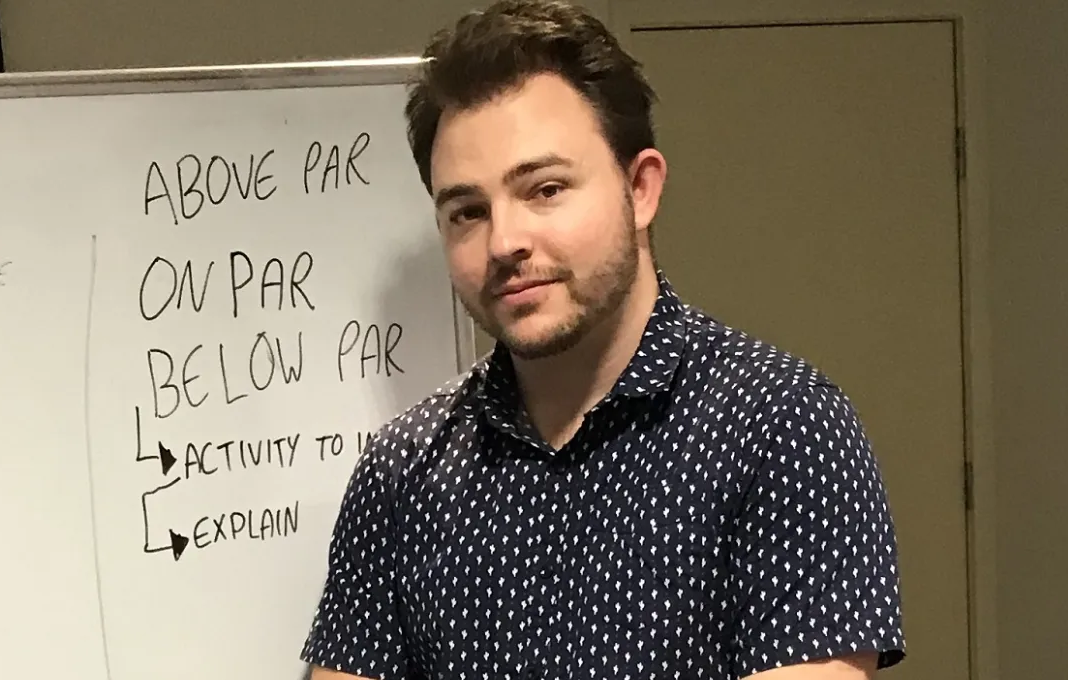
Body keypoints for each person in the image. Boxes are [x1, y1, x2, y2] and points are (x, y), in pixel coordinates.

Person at [300, 1, 907, 678]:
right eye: (468, 211)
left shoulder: (782, 429)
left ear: (640, 189)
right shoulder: (401, 475)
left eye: (546, 188)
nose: (504, 242)